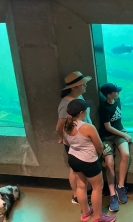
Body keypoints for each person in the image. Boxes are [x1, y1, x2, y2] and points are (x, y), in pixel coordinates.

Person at [64, 99, 116, 222]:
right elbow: (99, 146)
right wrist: (97, 156)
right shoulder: (88, 127)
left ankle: (86, 213)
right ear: (82, 112)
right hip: (88, 161)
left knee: (81, 186)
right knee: (97, 187)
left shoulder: (66, 125)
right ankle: (98, 217)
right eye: (86, 109)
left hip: (73, 159)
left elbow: (66, 142)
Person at [55, 71, 93, 204]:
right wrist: (64, 139)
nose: (85, 87)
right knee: (75, 169)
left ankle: (82, 193)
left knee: (79, 169)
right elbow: (59, 127)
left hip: (83, 140)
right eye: (83, 85)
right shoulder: (66, 104)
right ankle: (76, 195)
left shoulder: (79, 97)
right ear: (74, 87)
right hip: (75, 142)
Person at [99, 83, 131, 211]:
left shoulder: (117, 100)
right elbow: (108, 127)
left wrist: (123, 130)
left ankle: (120, 186)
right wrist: (124, 134)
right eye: (116, 91)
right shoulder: (104, 108)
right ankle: (112, 193)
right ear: (109, 95)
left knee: (126, 154)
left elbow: (118, 120)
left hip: (118, 133)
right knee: (109, 163)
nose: (118, 93)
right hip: (107, 137)